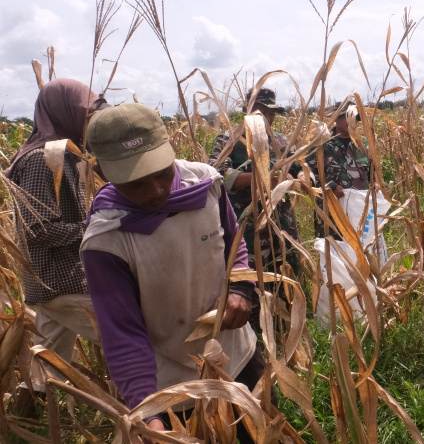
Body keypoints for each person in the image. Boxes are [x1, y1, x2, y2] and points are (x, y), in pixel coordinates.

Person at [80, 103, 260, 440]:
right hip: (174, 385)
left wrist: (240, 289)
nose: (156, 191)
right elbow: (123, 333)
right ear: (104, 173)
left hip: (238, 356)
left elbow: (235, 245)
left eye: (162, 173)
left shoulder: (207, 184)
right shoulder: (106, 241)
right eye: (136, 183)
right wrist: (148, 411)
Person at [5, 79, 100, 410]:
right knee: (128, 334)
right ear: (63, 113)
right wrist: (92, 228)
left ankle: (22, 416)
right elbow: (35, 228)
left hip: (54, 279)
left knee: (45, 360)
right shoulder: (41, 160)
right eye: (85, 113)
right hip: (61, 281)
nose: (91, 120)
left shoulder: (66, 154)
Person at [208, 87, 300, 276]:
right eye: (262, 111)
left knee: (286, 273)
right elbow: (217, 176)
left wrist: (300, 178)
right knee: (253, 278)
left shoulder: (279, 140)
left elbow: (297, 166)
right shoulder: (230, 140)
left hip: (282, 223)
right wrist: (262, 180)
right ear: (247, 111)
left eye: (271, 112)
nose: (267, 117)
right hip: (249, 226)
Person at [306, 101, 371, 237]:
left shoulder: (362, 146)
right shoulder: (321, 145)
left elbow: (372, 175)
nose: (352, 122)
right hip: (332, 215)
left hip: (360, 213)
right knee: (335, 253)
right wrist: (331, 187)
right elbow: (308, 177)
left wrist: (375, 185)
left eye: (355, 118)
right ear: (337, 119)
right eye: (347, 117)